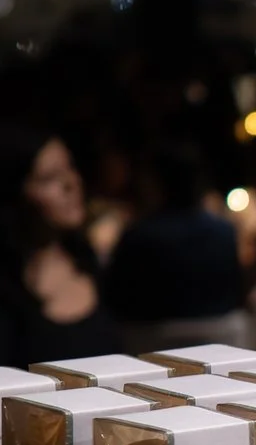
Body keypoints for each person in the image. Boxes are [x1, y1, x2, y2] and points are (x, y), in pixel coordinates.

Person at [0, 121, 105, 365]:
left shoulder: (85, 259)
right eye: (49, 178)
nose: (71, 183)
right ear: (11, 195)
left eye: (69, 167)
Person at [98, 141, 244, 337]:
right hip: (225, 341)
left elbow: (116, 301)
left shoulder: (140, 236)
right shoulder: (224, 231)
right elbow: (238, 293)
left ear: (157, 183)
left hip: (151, 345)